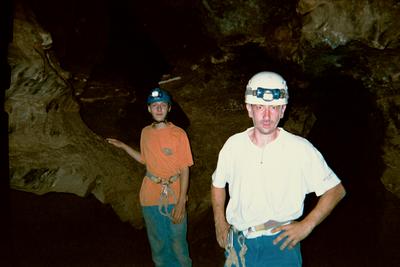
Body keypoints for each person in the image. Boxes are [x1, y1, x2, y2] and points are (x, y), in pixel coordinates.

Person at [211, 71, 346, 267]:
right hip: (239, 244)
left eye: (274, 108)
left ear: (283, 110)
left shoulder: (300, 149)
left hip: (280, 245)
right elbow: (218, 184)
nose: (266, 115)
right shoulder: (233, 146)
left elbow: (336, 190)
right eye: (260, 107)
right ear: (249, 109)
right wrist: (219, 222)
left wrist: (307, 225)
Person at [107, 88, 193, 267]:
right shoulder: (145, 132)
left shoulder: (179, 134)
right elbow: (145, 160)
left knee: (178, 244)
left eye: (163, 105)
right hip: (149, 196)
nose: (159, 109)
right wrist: (123, 146)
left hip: (174, 194)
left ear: (169, 108)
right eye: (155, 106)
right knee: (158, 245)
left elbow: (185, 169)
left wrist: (181, 202)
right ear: (149, 109)